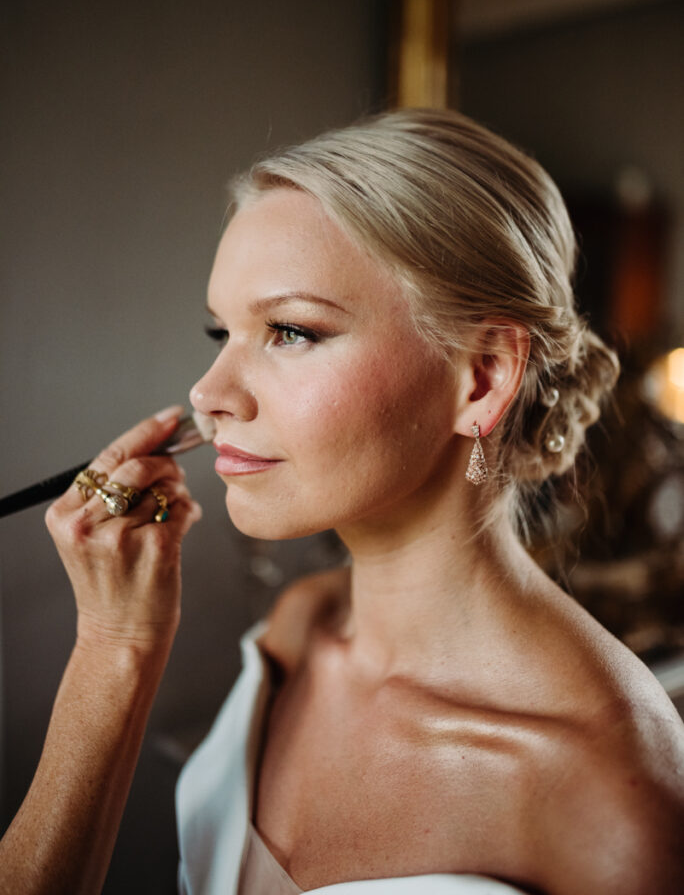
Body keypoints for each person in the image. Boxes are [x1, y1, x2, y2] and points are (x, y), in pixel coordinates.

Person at [1, 109, 683, 894]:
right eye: (220, 332)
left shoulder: (614, 800)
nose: (208, 394)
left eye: (290, 331)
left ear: (484, 377)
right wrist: (116, 643)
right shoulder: (294, 634)